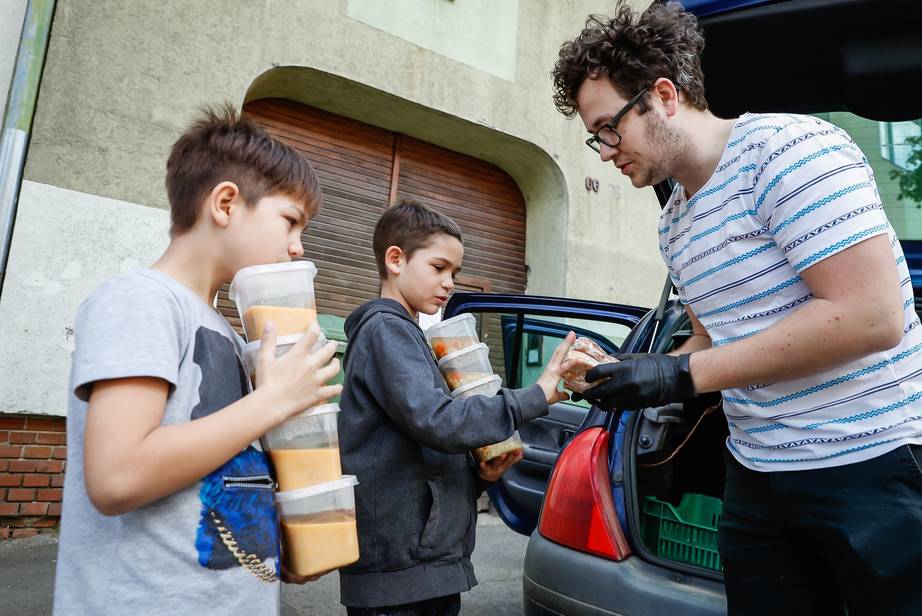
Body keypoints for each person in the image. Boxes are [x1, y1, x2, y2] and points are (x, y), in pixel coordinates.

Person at [551, 2, 922, 614]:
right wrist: (634, 373)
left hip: (871, 464)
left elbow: (871, 315)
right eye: (596, 138)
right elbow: (710, 339)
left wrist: (680, 374)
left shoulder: (788, 150)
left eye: (608, 128)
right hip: (755, 478)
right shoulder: (674, 223)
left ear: (663, 96)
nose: (605, 151)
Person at [53, 104, 342, 615]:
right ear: (226, 203)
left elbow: (220, 460)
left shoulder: (225, 331)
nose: (299, 248)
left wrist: (275, 541)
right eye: (291, 221)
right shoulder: (141, 300)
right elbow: (117, 477)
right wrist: (273, 400)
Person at [337, 200, 574, 616]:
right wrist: (535, 396)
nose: (449, 283)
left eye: (455, 273)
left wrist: (477, 476)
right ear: (396, 259)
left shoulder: (406, 334)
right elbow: (438, 422)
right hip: (401, 576)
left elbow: (418, 447)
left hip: (423, 566)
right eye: (438, 267)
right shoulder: (386, 330)